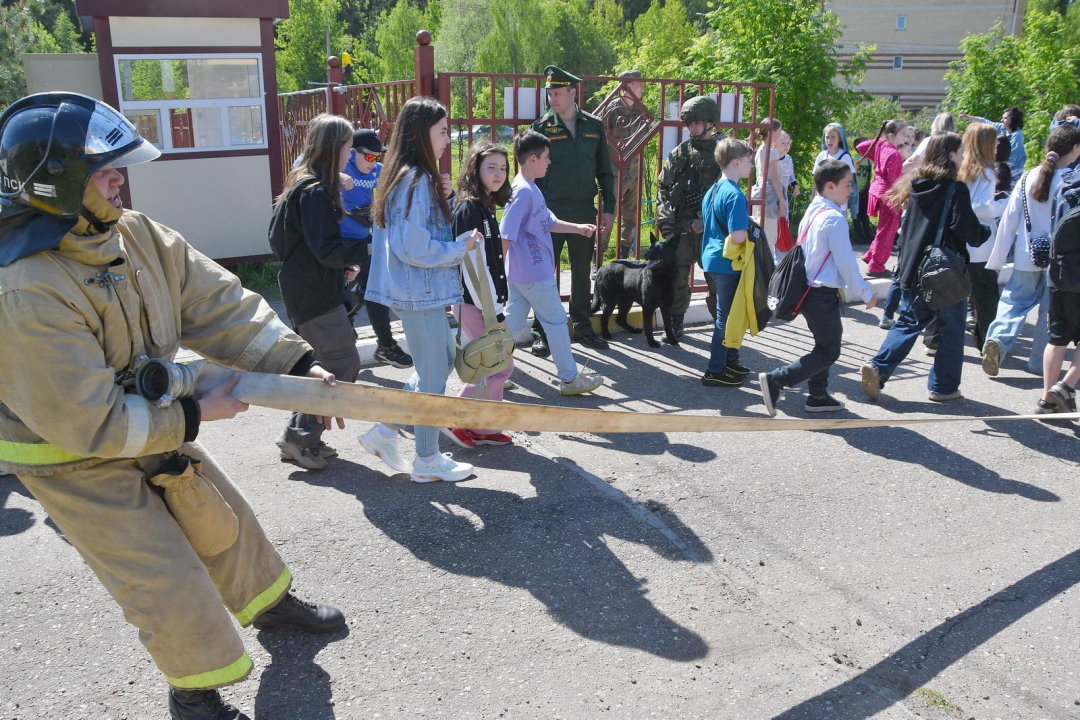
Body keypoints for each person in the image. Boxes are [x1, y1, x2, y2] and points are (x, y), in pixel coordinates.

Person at [0, 92, 345, 720]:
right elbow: (86, 421)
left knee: (222, 519)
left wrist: (296, 365)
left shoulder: (132, 237)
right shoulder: (26, 287)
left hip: (147, 424)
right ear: (60, 184)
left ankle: (269, 603)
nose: (119, 178)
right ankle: (194, 695)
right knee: (162, 577)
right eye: (103, 170)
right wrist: (191, 417)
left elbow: (216, 301)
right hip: (70, 459)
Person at [359, 96, 481, 484]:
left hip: (417, 291)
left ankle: (386, 430)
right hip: (418, 291)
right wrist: (460, 248)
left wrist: (441, 199)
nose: (448, 138)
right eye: (442, 131)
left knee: (441, 362)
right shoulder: (415, 179)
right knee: (433, 377)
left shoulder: (407, 177)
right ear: (420, 134)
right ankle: (426, 459)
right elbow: (414, 246)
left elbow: (411, 234)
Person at [270, 114, 371, 471]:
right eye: (348, 146)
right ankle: (299, 439)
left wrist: (333, 264)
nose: (351, 153)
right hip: (313, 294)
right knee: (341, 362)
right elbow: (326, 249)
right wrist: (361, 252)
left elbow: (284, 242)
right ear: (334, 147)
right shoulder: (314, 192)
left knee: (330, 363)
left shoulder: (303, 184)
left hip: (308, 289)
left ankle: (303, 437)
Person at [860, 132, 990, 403]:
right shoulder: (955, 189)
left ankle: (878, 367)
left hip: (912, 268)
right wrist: (984, 232)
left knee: (908, 321)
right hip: (943, 272)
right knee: (952, 328)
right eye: (961, 152)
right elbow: (964, 227)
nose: (964, 156)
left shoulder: (917, 185)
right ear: (951, 155)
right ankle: (943, 388)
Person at [759, 159, 877, 415]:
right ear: (831, 186)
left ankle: (818, 395)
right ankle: (776, 380)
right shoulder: (834, 219)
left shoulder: (814, 209)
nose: (851, 190)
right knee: (829, 350)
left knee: (823, 345)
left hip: (810, 291)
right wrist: (866, 293)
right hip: (822, 294)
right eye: (847, 185)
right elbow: (847, 264)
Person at [502, 130, 605, 396]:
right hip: (534, 272)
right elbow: (505, 233)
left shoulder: (529, 187)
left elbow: (547, 221)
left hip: (523, 272)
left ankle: (489, 371)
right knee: (557, 322)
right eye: (547, 157)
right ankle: (570, 379)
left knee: (511, 322)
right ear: (533, 159)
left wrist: (577, 228)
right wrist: (495, 272)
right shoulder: (523, 191)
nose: (550, 162)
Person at [982, 124, 1080, 377]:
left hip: (1027, 254)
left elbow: (1009, 221)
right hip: (1061, 259)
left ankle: (998, 340)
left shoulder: (1027, 176)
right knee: (1049, 314)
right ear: (1076, 148)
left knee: (1013, 301)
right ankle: (1039, 363)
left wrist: (996, 262)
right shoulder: (1073, 180)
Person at [530, 65, 615, 352]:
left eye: (557, 93)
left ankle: (582, 326)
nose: (552, 98)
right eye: (549, 93)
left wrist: (609, 207)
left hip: (582, 209)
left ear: (572, 92)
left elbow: (605, 170)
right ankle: (543, 331)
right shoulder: (541, 128)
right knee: (545, 274)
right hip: (550, 211)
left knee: (580, 272)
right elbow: (531, 172)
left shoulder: (593, 125)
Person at [444, 141, 516, 448]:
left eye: (503, 168)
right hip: (475, 303)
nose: (498, 174)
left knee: (492, 364)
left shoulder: (484, 206)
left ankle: (482, 428)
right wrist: (492, 310)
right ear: (476, 170)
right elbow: (471, 265)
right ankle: (457, 420)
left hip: (480, 302)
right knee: (499, 365)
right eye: (491, 167)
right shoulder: (469, 209)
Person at [340, 128, 413, 368]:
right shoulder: (340, 167)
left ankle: (386, 346)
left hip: (364, 242)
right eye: (368, 156)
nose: (373, 162)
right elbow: (304, 168)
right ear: (352, 153)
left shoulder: (378, 172)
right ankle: (344, 342)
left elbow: (407, 181)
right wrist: (337, 177)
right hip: (337, 244)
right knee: (340, 298)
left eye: (377, 157)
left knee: (376, 290)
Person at [656, 95, 722, 335]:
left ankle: (721, 326)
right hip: (682, 229)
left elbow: (730, 195)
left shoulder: (723, 152)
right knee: (677, 279)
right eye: (690, 123)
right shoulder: (680, 152)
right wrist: (665, 221)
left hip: (712, 231)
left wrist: (706, 222)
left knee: (716, 279)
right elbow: (663, 188)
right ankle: (675, 323)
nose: (693, 127)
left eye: (698, 122)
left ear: (710, 123)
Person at [701, 137, 755, 387]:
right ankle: (715, 370)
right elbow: (737, 236)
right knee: (727, 318)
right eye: (748, 161)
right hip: (729, 262)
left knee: (731, 314)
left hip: (713, 260)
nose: (751, 165)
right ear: (736, 162)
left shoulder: (713, 189)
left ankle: (730, 361)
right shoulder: (736, 195)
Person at [958, 123, 1008, 352]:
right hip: (981, 242)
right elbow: (980, 207)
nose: (998, 144)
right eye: (994, 140)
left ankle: (937, 339)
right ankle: (988, 343)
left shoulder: (962, 167)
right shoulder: (986, 170)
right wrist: (1005, 204)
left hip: (963, 240)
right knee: (986, 297)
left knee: (959, 294)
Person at [602, 69, 647, 260]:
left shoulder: (640, 109)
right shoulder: (612, 108)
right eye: (639, 83)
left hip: (635, 171)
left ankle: (623, 256)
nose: (642, 87)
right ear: (628, 85)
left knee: (630, 217)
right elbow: (602, 137)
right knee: (608, 216)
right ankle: (598, 258)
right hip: (614, 171)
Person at [856, 119, 908, 277]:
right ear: (892, 135)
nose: (906, 138)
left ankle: (871, 255)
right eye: (903, 134)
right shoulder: (892, 153)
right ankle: (876, 266)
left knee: (883, 229)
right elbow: (896, 182)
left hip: (877, 191)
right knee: (887, 232)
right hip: (889, 196)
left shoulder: (881, 145)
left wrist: (879, 142)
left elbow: (860, 147)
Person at [750, 118, 787, 262]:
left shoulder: (761, 149)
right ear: (772, 132)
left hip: (760, 189)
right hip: (770, 193)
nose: (780, 134)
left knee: (759, 229)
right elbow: (775, 179)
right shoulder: (772, 151)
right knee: (769, 234)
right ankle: (767, 269)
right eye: (779, 131)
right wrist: (782, 201)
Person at [960, 107, 1026, 183]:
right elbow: (986, 122)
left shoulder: (1018, 135)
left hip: (1013, 170)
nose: (1002, 120)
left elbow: (1011, 157)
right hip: (1000, 167)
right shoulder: (1003, 128)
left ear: (1013, 120)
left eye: (1005, 118)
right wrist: (968, 117)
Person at [813, 122, 858, 230]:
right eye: (827, 137)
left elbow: (849, 179)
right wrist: (813, 197)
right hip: (822, 197)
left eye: (833, 137)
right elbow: (816, 178)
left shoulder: (845, 156)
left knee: (836, 226)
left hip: (838, 198)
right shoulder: (822, 155)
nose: (829, 140)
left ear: (840, 139)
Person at [852, 135, 876, 242]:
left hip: (866, 191)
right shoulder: (853, 160)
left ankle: (868, 234)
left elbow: (872, 175)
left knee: (865, 214)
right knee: (855, 214)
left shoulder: (869, 161)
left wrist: (867, 189)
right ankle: (859, 235)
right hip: (855, 192)